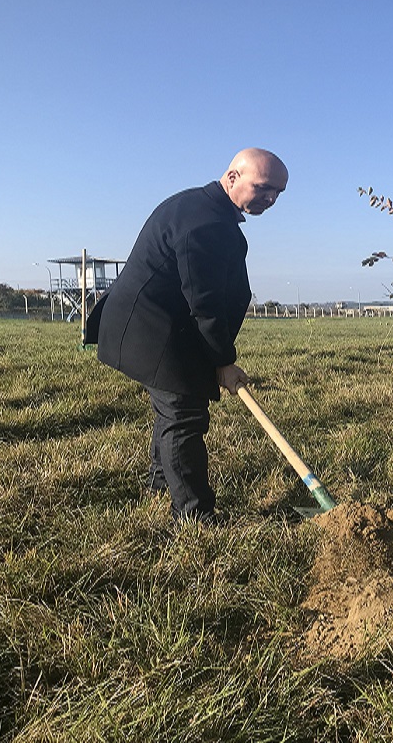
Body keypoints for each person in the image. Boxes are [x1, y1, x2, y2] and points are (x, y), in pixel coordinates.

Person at [86, 148, 289, 521]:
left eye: (278, 193)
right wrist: (224, 362)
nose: (271, 199)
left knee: (171, 411)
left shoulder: (202, 207)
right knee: (184, 416)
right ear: (232, 178)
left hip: (158, 324)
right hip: (153, 331)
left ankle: (161, 484)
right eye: (263, 188)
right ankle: (194, 515)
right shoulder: (206, 224)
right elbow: (206, 303)